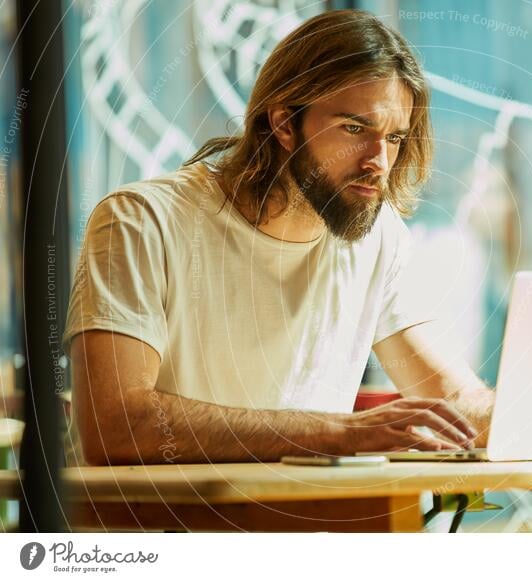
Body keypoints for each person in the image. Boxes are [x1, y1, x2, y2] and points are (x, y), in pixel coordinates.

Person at [63, 9, 494, 466]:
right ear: (285, 123)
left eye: (394, 138)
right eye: (354, 129)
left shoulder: (378, 238)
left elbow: (452, 398)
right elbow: (115, 428)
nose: (378, 161)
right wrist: (339, 432)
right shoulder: (140, 221)